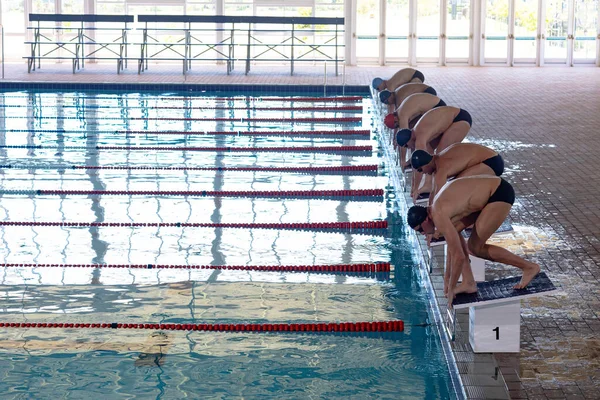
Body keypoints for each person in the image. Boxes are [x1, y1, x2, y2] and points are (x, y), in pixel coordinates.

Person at [406, 176, 540, 305]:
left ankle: (528, 267)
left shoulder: (439, 215)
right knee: (457, 233)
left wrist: (451, 288)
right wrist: (447, 279)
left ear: (425, 220)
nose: (422, 233)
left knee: (475, 248)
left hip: (498, 194)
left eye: (420, 229)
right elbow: (453, 246)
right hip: (486, 195)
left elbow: (458, 256)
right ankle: (468, 282)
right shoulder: (437, 210)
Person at [396, 106, 472, 199]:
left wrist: (415, 188)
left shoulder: (420, 136)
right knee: (430, 153)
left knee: (440, 155)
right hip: (452, 118)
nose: (409, 148)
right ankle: (429, 184)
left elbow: (420, 164)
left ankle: (440, 186)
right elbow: (425, 159)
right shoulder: (417, 133)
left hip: (460, 119)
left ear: (409, 139)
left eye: (407, 146)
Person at [410, 143, 503, 204]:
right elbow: (433, 193)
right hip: (492, 158)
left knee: (458, 186)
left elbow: (439, 198)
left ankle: (474, 218)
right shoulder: (438, 160)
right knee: (456, 184)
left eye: (420, 170)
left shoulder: (441, 166)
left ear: (426, 164)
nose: (423, 173)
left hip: (492, 162)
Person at [384, 92, 446, 171]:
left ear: (396, 120)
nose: (398, 126)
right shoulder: (399, 111)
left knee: (425, 143)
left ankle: (428, 161)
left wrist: (402, 161)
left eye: (397, 125)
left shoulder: (402, 116)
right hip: (432, 104)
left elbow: (405, 139)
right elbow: (404, 136)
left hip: (437, 107)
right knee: (414, 133)